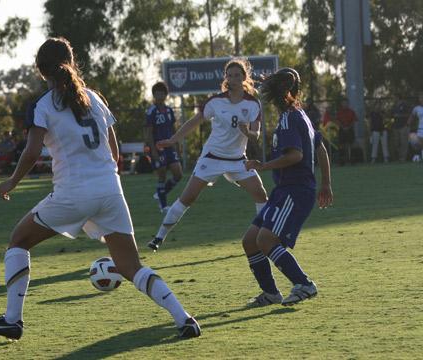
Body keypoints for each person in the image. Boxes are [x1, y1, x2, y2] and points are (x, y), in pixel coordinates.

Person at [0, 37, 200, 341]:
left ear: (42, 71)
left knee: (18, 241)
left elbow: (31, 152)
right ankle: (183, 317)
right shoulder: (94, 98)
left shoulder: (42, 105)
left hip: (73, 192)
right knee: (131, 266)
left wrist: (10, 182)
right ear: (72, 61)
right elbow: (115, 152)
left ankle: (12, 320)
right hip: (110, 189)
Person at [148, 58, 268, 251]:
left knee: (261, 194)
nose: (234, 78)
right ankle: (159, 237)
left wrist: (249, 133)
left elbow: (256, 133)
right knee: (188, 198)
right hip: (212, 158)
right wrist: (173, 140)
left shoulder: (253, 104)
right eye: (230, 75)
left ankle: (262, 238)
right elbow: (194, 122)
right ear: (226, 78)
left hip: (237, 160)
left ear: (245, 77)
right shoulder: (216, 101)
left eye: (238, 75)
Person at [242, 68, 333, 307]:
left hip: (295, 190)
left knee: (265, 239)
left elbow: (295, 156)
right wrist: (325, 184)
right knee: (250, 240)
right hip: (284, 190)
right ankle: (271, 293)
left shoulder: (290, 118)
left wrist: (263, 166)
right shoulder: (299, 114)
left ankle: (304, 284)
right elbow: (321, 148)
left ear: (280, 93)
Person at [145, 82, 183, 212]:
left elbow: (173, 130)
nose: (160, 95)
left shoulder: (169, 110)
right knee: (162, 174)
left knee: (178, 174)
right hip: (158, 147)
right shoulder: (151, 111)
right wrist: (153, 151)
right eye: (157, 93)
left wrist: (177, 144)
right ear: (154, 95)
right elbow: (149, 133)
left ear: (166, 95)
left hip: (169, 146)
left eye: (162, 93)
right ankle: (163, 206)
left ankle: (161, 193)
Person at [335, 99, 357, 165]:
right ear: (341, 104)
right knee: (342, 145)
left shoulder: (351, 112)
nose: (345, 104)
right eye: (343, 103)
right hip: (342, 130)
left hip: (350, 130)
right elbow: (337, 120)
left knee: (351, 145)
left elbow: (354, 120)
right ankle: (342, 161)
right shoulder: (339, 112)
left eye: (346, 103)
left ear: (348, 104)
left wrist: (348, 127)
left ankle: (352, 160)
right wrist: (343, 127)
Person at [391, 97, 411, 162]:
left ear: (398, 98)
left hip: (404, 127)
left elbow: (410, 115)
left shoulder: (405, 105)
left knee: (404, 143)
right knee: (396, 143)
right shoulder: (394, 106)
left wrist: (400, 115)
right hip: (395, 127)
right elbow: (391, 116)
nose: (393, 99)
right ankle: (398, 157)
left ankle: (403, 158)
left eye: (394, 98)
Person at [408, 92, 423, 161]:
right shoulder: (416, 108)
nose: (421, 99)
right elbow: (411, 117)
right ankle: (418, 157)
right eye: (420, 98)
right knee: (419, 144)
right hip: (420, 129)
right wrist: (408, 124)